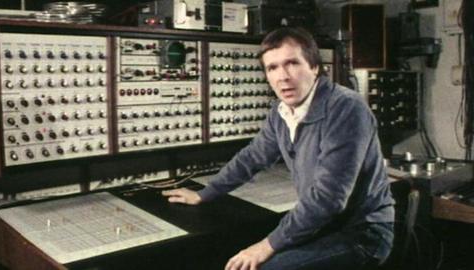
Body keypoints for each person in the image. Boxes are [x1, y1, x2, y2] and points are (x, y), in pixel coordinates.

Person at [162, 27, 395, 270]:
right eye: (272, 67)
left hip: (362, 234)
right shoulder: (281, 112)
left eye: (292, 63)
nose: (282, 76)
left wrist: (265, 246)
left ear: (314, 66)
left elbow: (329, 199)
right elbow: (252, 158)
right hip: (323, 226)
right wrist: (205, 193)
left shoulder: (346, 108)